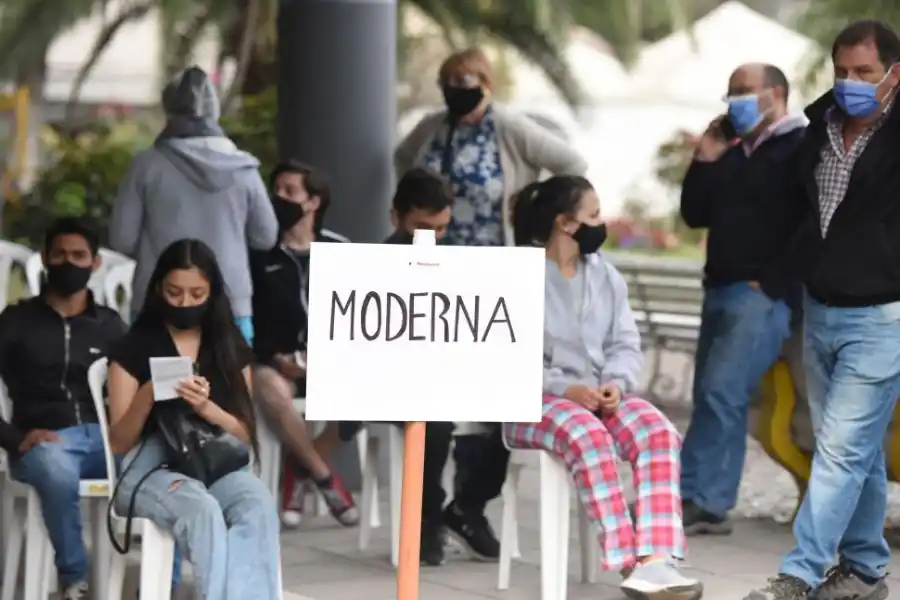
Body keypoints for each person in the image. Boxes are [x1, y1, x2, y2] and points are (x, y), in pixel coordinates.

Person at [743, 20, 900, 600]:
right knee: (861, 454)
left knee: (839, 447)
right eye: (842, 72)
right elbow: (796, 212)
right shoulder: (819, 128)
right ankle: (863, 571)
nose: (851, 83)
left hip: (883, 316)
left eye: (865, 72)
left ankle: (801, 573)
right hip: (821, 309)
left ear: (894, 75)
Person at [507, 176, 702, 599]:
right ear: (566, 223)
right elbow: (509, 358)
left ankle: (658, 560)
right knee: (589, 434)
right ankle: (632, 563)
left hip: (600, 397)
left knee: (657, 431)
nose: (601, 222)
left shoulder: (606, 276)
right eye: (593, 215)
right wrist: (564, 389)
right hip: (533, 402)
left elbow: (626, 344)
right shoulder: (518, 276)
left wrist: (615, 383)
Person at [106, 239, 280, 599]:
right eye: (175, 293)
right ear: (158, 290)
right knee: (200, 509)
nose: (185, 303)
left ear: (212, 293)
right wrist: (148, 394)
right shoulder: (134, 346)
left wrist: (207, 408)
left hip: (213, 464)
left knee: (256, 502)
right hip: (151, 471)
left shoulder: (226, 344)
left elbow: (244, 434)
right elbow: (119, 442)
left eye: (196, 294)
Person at [678, 63, 806, 535]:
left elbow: (810, 224)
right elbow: (694, 214)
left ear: (775, 93)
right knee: (709, 395)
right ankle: (696, 496)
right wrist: (705, 159)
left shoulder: (799, 148)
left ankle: (704, 500)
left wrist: (773, 282)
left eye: (745, 92)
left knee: (721, 393)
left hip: (760, 296)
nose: (735, 101)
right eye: (730, 93)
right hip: (720, 288)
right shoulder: (735, 152)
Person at [378, 167, 510, 566]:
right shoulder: (372, 267)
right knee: (432, 423)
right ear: (395, 217)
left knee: (509, 409)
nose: (432, 237)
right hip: (391, 381)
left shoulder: (454, 263)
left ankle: (467, 506)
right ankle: (428, 518)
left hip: (443, 375)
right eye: (422, 226)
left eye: (440, 228)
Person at [0, 218, 126, 600]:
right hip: (44, 443)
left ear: (95, 263)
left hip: (106, 442)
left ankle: (163, 585)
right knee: (54, 467)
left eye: (79, 255)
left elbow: (138, 388)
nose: (68, 263)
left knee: (160, 465)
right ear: (45, 259)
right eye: (60, 255)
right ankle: (76, 580)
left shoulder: (111, 326)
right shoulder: (15, 322)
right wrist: (15, 437)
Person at [109, 66, 278, 343]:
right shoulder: (243, 167)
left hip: (158, 299)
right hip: (230, 302)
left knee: (156, 384)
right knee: (228, 383)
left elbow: (122, 240)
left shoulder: (146, 165)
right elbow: (265, 237)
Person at [251, 160, 359, 528]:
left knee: (367, 389)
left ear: (313, 201)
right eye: (275, 190)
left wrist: (327, 357)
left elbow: (360, 320)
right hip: (277, 363)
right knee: (267, 385)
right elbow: (248, 320)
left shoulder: (341, 251)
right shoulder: (260, 255)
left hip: (331, 364)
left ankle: (301, 466)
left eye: (289, 191)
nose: (279, 198)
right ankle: (325, 477)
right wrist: (277, 357)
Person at [394, 47, 587, 247]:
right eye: (446, 82)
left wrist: (533, 201)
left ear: (485, 83)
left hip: (492, 253)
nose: (453, 88)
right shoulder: (432, 126)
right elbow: (402, 156)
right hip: (434, 252)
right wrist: (411, 200)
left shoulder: (509, 127)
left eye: (462, 81)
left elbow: (572, 163)